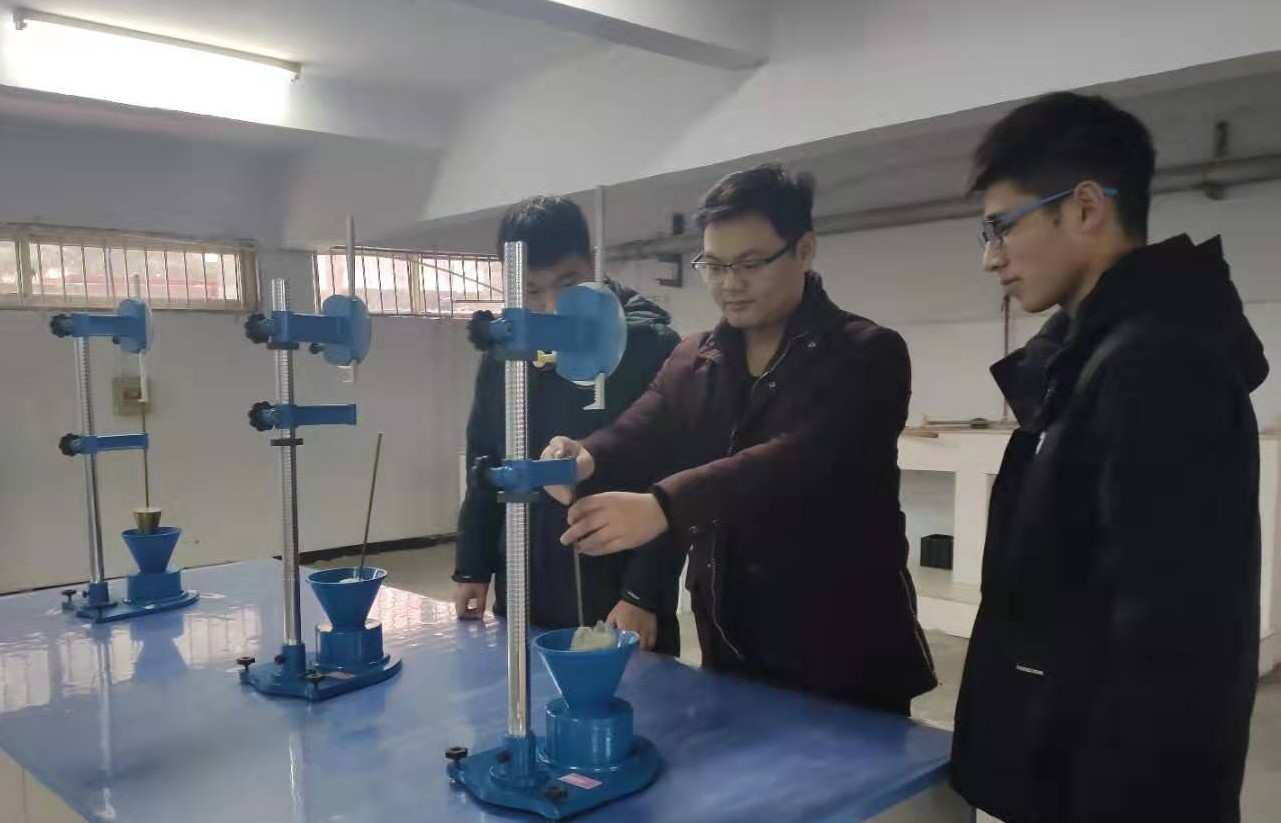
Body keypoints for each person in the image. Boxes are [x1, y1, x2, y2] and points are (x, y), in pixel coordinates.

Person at [950, 92, 1266, 823]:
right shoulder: (1089, 356)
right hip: (1067, 761)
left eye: (1002, 226)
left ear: (1086, 207)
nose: (991, 257)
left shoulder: (1156, 366)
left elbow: (1173, 641)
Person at [542, 165, 937, 714]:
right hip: (732, 635)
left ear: (804, 250)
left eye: (750, 264)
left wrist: (663, 506)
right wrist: (585, 457)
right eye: (714, 265)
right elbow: (643, 427)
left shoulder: (865, 354)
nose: (729, 283)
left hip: (842, 644)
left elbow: (794, 462)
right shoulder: (696, 357)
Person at [453, 195, 685, 655]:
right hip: (524, 573)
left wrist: (642, 594)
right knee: (526, 683)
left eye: (569, 283)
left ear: (592, 262)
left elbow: (673, 478)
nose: (552, 306)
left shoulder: (647, 346)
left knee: (628, 693)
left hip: (615, 581)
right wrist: (472, 566)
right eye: (531, 291)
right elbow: (485, 460)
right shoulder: (506, 354)